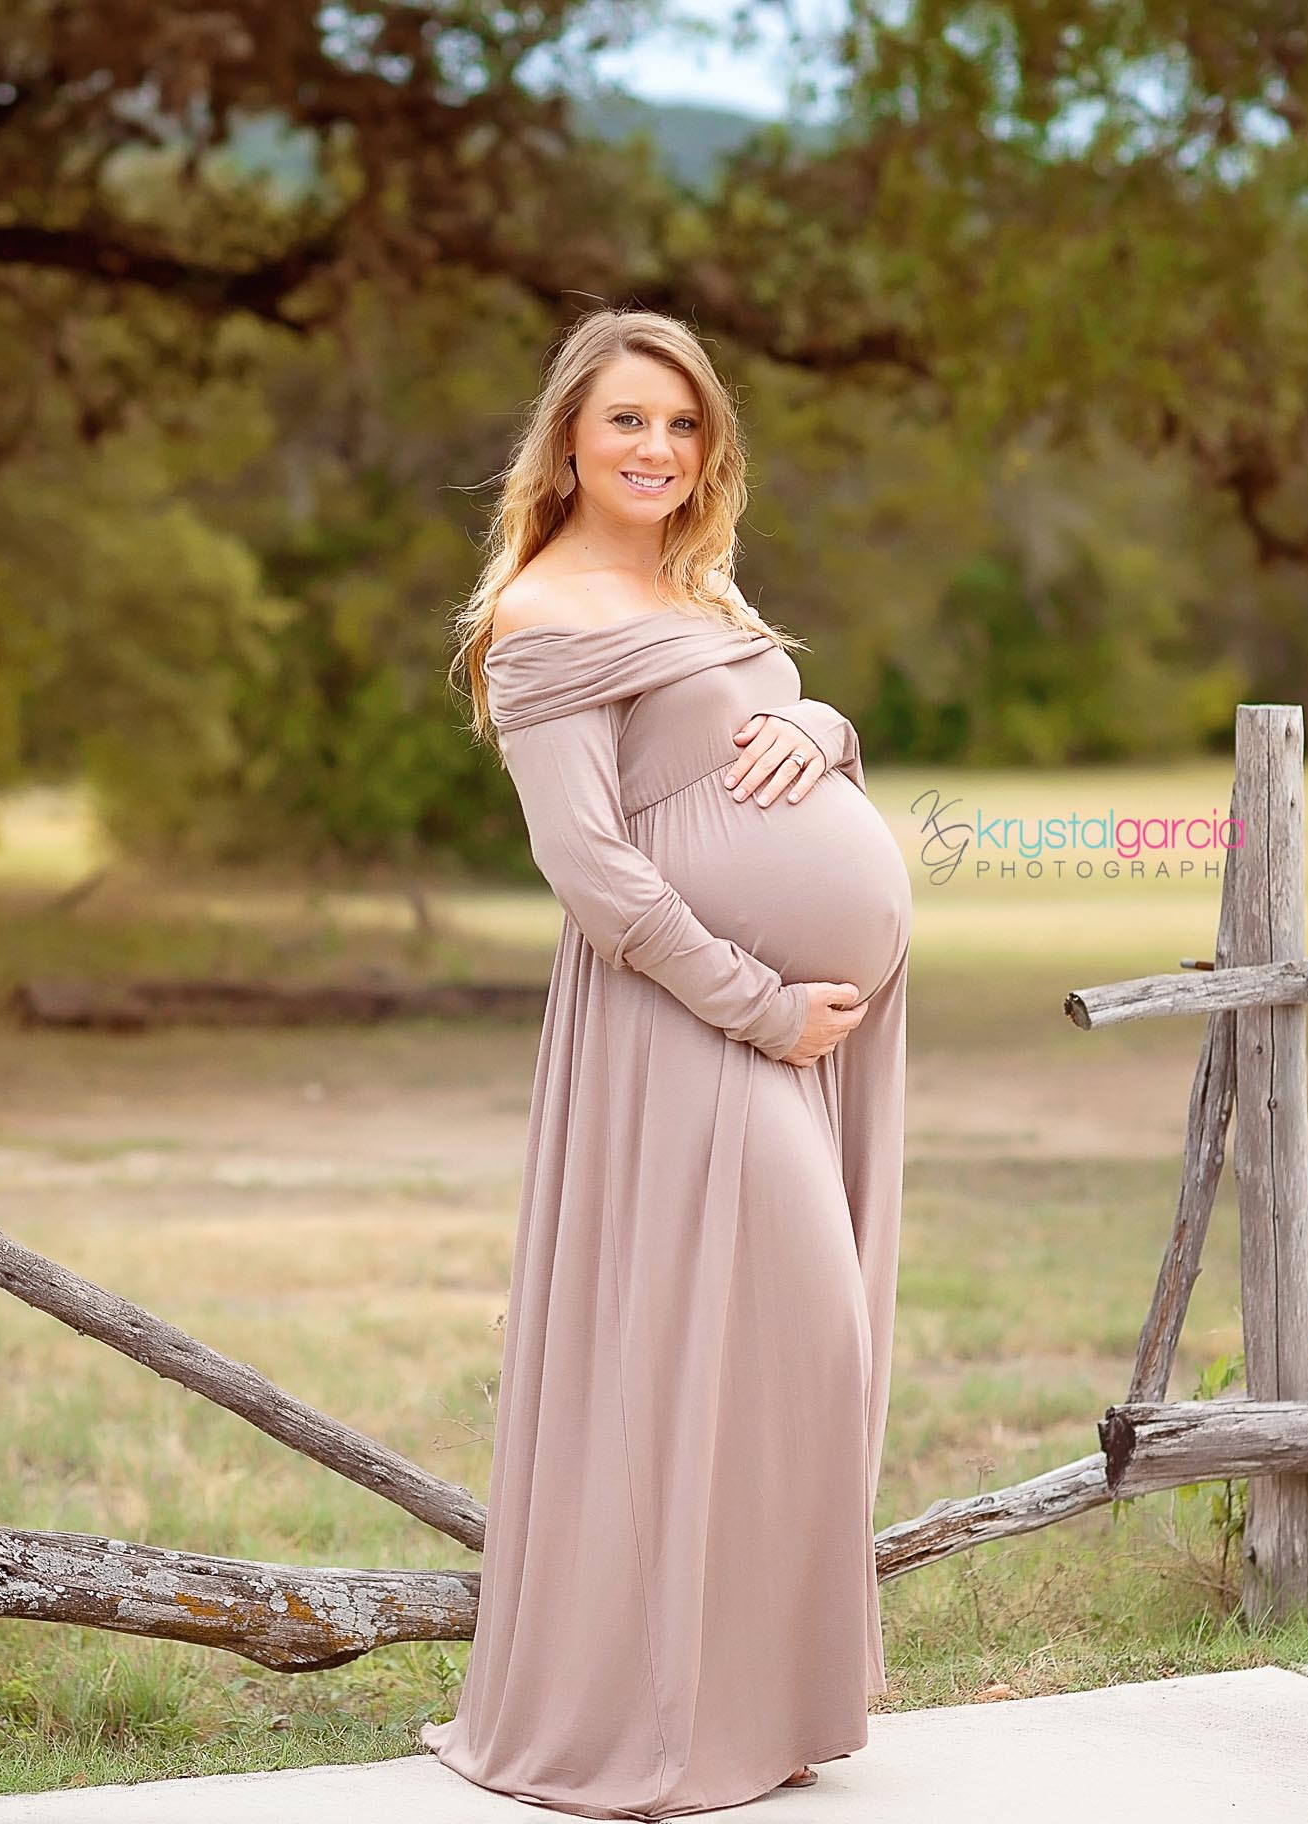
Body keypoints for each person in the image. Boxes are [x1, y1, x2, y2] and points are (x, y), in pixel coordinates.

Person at [421, 307, 912, 1817]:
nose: (656, 449)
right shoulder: (540, 616)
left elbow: (766, 725)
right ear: (568, 434)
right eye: (628, 420)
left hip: (791, 1021)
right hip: (685, 1020)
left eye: (682, 425)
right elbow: (591, 871)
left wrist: (821, 724)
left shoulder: (698, 583)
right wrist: (758, 1003)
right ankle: (650, 1719)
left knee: (788, 1358)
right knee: (746, 1342)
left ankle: (761, 1707)